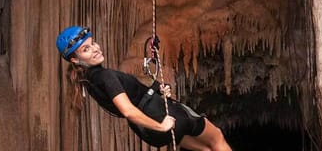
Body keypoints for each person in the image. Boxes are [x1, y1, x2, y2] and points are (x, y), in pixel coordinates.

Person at [57, 25, 233, 151]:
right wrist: (161, 125)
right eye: (86, 49)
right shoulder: (105, 76)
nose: (95, 49)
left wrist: (157, 89)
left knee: (206, 149)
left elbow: (133, 94)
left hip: (147, 130)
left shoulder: (89, 82)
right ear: (74, 59)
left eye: (93, 43)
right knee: (217, 138)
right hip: (160, 117)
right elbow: (128, 111)